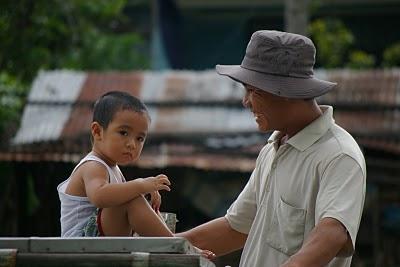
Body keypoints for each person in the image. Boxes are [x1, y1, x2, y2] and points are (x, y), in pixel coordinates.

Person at [177, 30, 366, 267]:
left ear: (283, 92)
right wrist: (165, 247)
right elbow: (236, 227)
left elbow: (332, 235)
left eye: (251, 90)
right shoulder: (273, 148)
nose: (246, 101)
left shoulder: (338, 155)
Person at [57, 91, 173, 237]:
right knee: (130, 198)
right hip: (81, 243)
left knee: (133, 196)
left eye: (139, 138)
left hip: (96, 241)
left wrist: (143, 191)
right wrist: (141, 185)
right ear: (97, 131)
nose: (132, 144)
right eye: (124, 133)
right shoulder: (93, 165)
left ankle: (172, 241)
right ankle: (173, 243)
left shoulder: (113, 168)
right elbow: (99, 196)